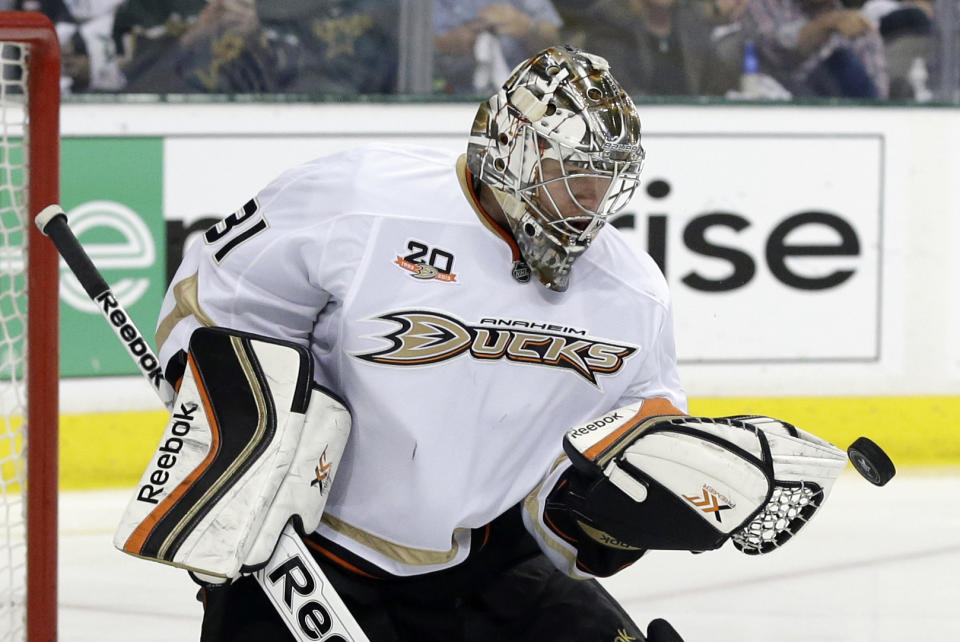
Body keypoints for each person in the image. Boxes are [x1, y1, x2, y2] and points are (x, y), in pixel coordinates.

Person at [151, 45, 848, 641]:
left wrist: (613, 521)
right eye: (572, 172)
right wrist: (231, 443)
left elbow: (620, 447)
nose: (589, 200)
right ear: (510, 146)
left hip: (483, 558)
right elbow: (211, 301)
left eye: (604, 179)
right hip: (302, 547)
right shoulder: (359, 199)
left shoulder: (632, 293)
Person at [556, 0, 737, 97]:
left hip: (692, 127)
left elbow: (717, 86)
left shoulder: (690, 24)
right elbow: (617, 88)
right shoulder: (610, 23)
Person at [740, 0, 890, 98]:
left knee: (844, 62)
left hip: (845, 127)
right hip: (781, 117)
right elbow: (778, 50)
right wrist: (828, 25)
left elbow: (877, 100)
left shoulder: (858, 23)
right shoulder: (765, 5)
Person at [433, 0, 562, 94]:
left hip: (524, 96)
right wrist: (450, 42)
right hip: (452, 99)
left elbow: (554, 44)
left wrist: (527, 27)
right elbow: (419, 45)